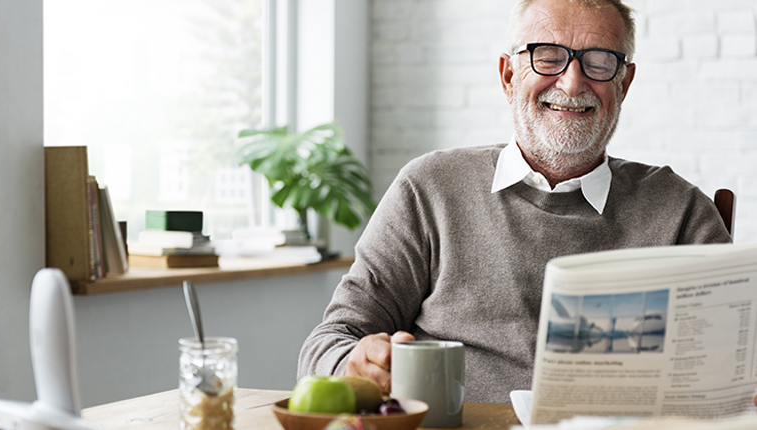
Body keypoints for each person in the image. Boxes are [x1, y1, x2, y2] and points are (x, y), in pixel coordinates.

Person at [297, 0, 732, 404]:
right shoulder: (429, 188)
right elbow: (331, 340)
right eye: (547, 56)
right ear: (508, 76)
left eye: (601, 62)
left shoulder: (682, 212)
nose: (572, 82)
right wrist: (354, 363)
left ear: (625, 82)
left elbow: (730, 369)